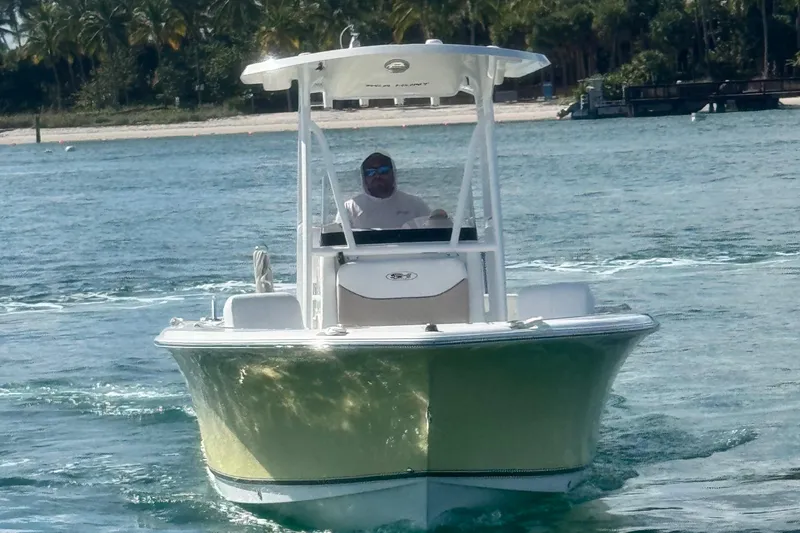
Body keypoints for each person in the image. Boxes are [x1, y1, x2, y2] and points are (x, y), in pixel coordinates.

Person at [338, 151, 431, 229]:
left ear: (393, 173)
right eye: (370, 172)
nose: (377, 176)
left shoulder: (416, 205)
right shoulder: (349, 209)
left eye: (383, 170)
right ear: (364, 177)